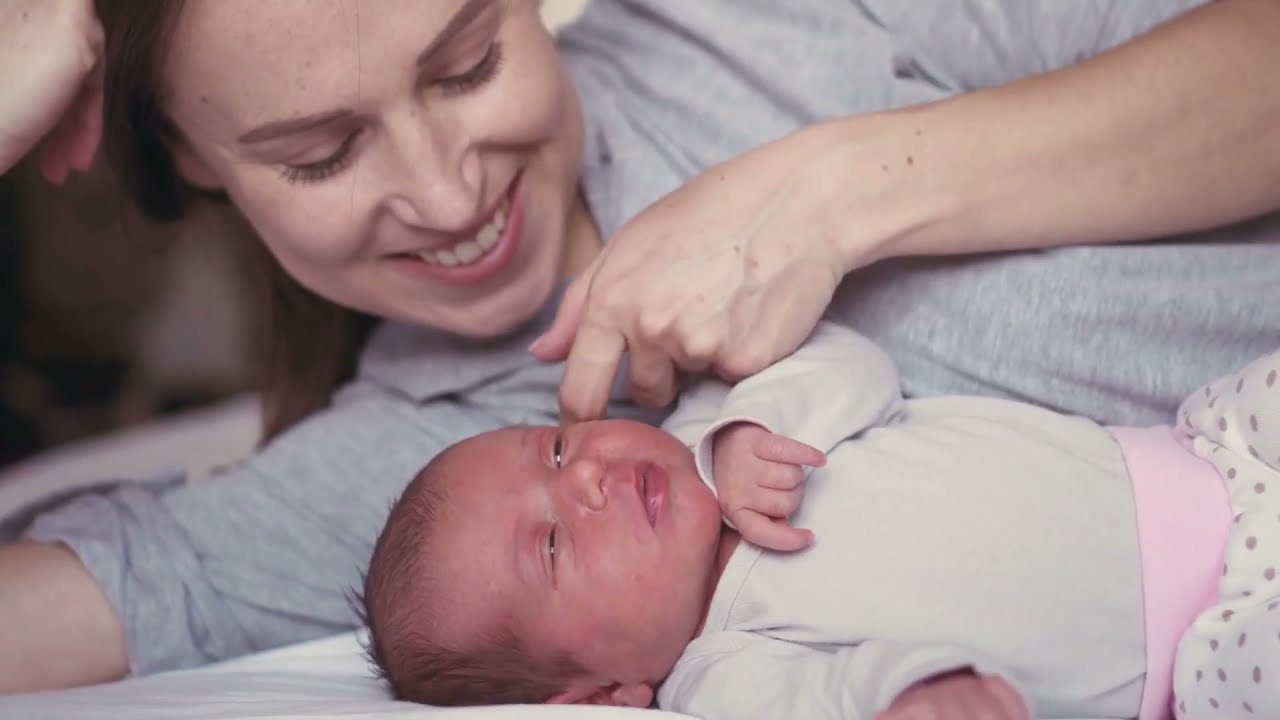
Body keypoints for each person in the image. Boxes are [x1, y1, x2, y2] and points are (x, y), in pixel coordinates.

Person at [1, 0, 1277, 695]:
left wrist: (840, 192)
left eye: (466, 62)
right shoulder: (411, 499)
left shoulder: (749, 30)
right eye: (320, 155)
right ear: (186, 160)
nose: (450, 199)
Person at [362, 323, 1280, 720]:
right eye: (553, 544)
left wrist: (757, 427)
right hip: (1211, 643)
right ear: (603, 696)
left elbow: (858, 365)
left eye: (554, 452)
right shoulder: (722, 670)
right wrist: (921, 692)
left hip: (1214, 446)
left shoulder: (709, 434)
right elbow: (837, 699)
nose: (591, 479)